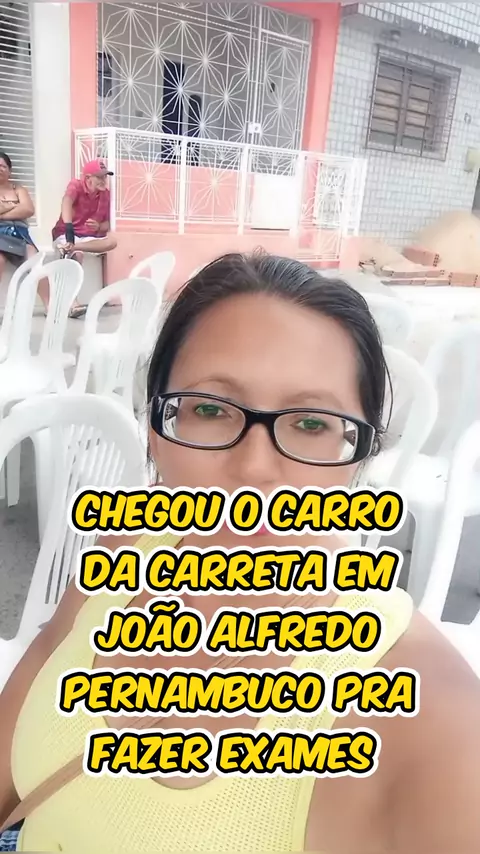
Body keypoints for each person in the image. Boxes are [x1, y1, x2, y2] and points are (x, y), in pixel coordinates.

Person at [0, 252, 479, 853]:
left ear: (357, 457)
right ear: (155, 431)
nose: (254, 470)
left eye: (311, 424)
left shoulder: (425, 704)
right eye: (209, 409)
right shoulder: (128, 550)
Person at [51, 158, 118, 319]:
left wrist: (99, 226)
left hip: (87, 239)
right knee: (77, 256)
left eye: (105, 176)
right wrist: (69, 230)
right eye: (99, 176)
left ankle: (72, 247)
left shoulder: (106, 194)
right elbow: (66, 202)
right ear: (88, 178)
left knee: (112, 241)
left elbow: (107, 224)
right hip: (66, 234)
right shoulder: (76, 185)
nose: (103, 180)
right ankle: (72, 304)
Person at [0, 151, 37, 278]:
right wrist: (14, 205)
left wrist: (2, 214)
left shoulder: (19, 190)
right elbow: (21, 208)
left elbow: (28, 209)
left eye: (3, 166)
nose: (0, 169)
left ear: (10, 171)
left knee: (36, 266)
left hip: (20, 234)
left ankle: (50, 293)